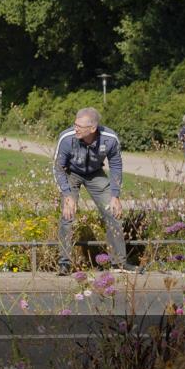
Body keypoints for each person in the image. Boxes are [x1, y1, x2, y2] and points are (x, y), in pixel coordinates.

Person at [52, 107, 135, 275]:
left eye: (79, 127)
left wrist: (115, 195)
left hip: (95, 174)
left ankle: (118, 262)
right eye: (74, 124)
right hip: (71, 173)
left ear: (92, 128)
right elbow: (58, 168)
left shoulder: (110, 139)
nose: (75, 128)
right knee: (67, 216)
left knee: (114, 213)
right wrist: (68, 195)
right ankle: (64, 263)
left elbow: (116, 166)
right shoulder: (67, 138)